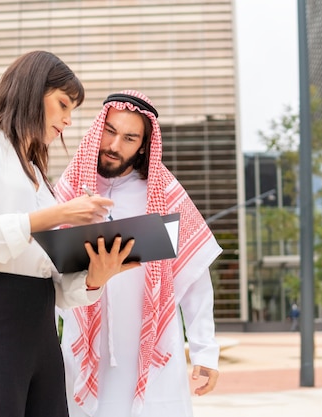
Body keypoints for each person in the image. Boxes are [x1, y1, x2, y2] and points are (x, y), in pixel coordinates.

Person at [0, 51, 139, 417]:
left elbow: (58, 288)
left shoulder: (38, 177)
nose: (66, 120)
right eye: (63, 104)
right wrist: (56, 214)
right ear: (32, 91)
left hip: (43, 336)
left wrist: (97, 276)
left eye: (72, 111)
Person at [55, 90, 223, 417]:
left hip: (151, 348)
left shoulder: (165, 194)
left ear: (144, 145)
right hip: (86, 347)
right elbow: (45, 275)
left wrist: (205, 352)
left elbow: (195, 280)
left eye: (129, 138)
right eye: (110, 131)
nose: (115, 145)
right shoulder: (69, 189)